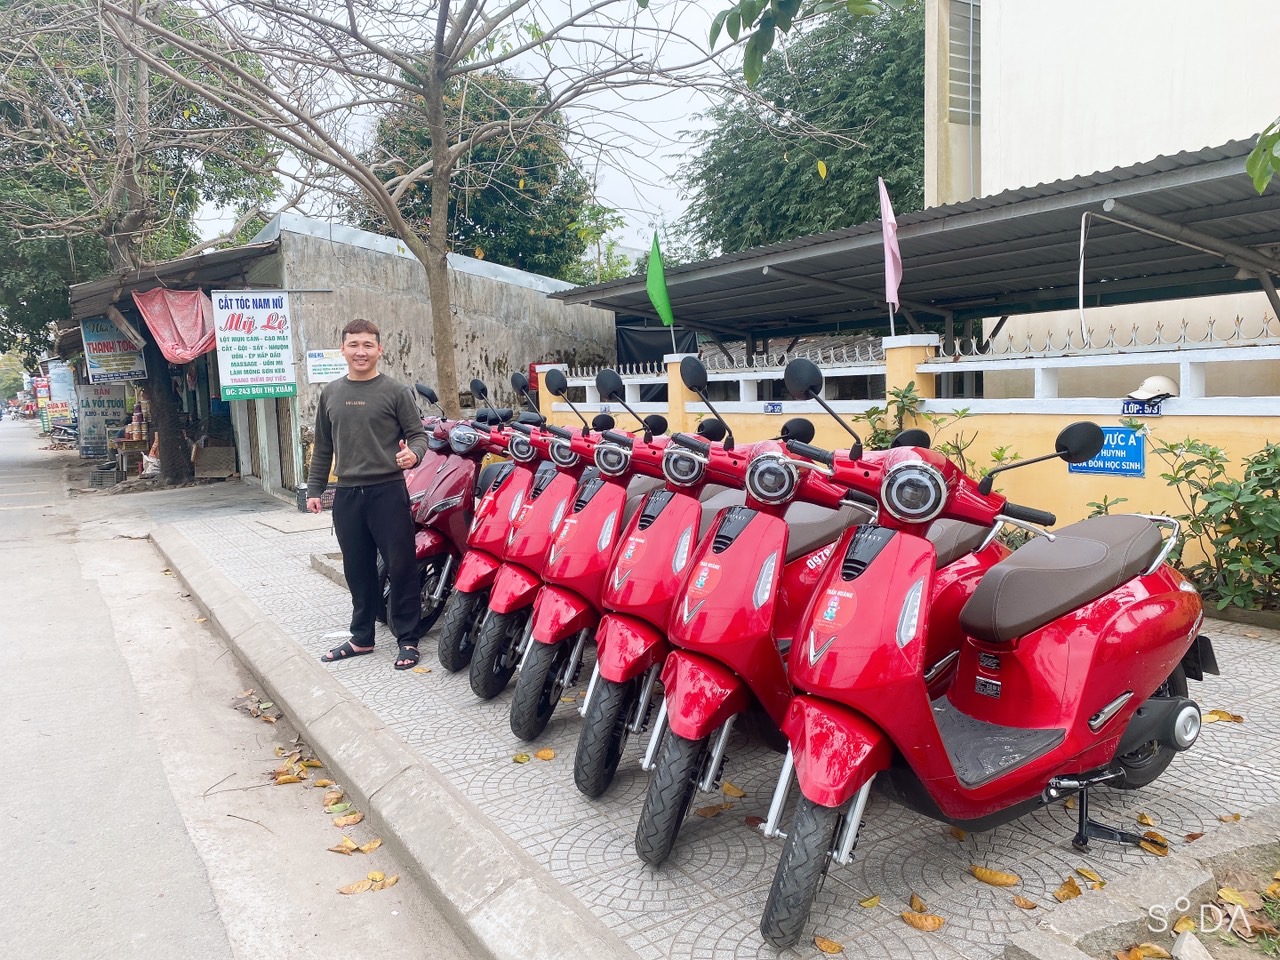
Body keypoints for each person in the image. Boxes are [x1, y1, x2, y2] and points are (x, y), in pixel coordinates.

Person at [306, 319, 428, 670]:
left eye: (368, 345)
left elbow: (419, 435)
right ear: (342, 349)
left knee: (401, 566)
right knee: (357, 569)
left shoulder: (395, 391)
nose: (361, 351)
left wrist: (414, 454)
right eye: (354, 344)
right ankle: (362, 637)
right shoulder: (331, 393)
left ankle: (408, 638)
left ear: (379, 350)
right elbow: (323, 447)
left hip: (387, 491)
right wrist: (315, 490)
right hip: (347, 495)